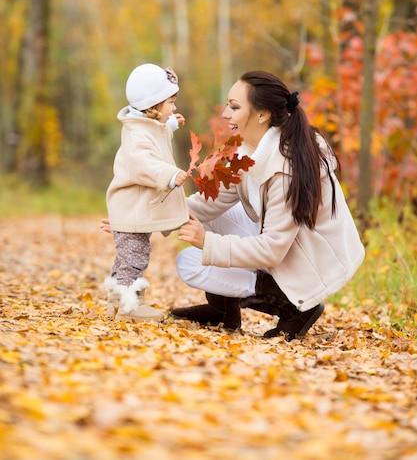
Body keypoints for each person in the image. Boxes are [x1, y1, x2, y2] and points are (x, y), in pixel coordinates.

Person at [170, 70, 365, 341]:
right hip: (288, 245)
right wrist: (143, 218)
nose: (226, 114)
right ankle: (223, 310)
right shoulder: (248, 152)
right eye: (228, 104)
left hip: (309, 263)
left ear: (262, 115)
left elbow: (272, 249)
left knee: (191, 263)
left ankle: (294, 306)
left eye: (235, 107)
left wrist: (207, 242)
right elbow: (208, 203)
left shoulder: (286, 167)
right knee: (208, 224)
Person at [104, 63, 189, 322]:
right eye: (170, 103)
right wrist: (169, 175)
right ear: (153, 106)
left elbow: (157, 134)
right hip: (132, 210)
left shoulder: (145, 125)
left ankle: (117, 301)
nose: (173, 107)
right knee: (134, 258)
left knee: (127, 258)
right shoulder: (136, 136)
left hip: (135, 209)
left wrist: (170, 124)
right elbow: (145, 164)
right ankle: (130, 307)